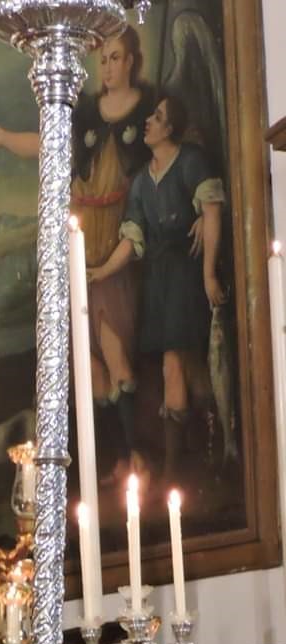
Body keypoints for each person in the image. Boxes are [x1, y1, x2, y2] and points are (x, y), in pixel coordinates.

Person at [0, 26, 154, 459]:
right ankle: (115, 454)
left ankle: (135, 450)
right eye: (103, 59)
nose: (107, 67)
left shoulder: (149, 111)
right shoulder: (87, 112)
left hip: (122, 245)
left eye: (115, 58)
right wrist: (4, 138)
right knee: (87, 358)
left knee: (115, 350)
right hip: (83, 242)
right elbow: (48, 143)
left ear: (132, 61)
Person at [87, 93, 226, 477]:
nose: (148, 121)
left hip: (186, 275)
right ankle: (201, 447)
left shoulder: (191, 161)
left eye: (157, 116)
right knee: (185, 369)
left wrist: (209, 274)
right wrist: (102, 271)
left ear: (170, 128)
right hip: (158, 281)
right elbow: (133, 240)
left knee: (174, 365)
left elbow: (212, 213)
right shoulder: (140, 183)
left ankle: (172, 471)